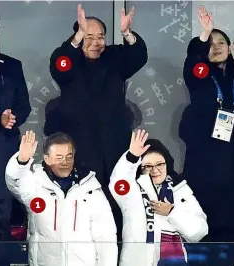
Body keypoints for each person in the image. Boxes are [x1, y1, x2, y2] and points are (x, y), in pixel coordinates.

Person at [46, 4, 147, 243]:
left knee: (116, 198)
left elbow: (138, 57)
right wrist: (78, 36)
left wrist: (127, 34)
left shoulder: (113, 58)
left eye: (100, 36)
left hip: (114, 142)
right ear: (78, 37)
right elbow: (58, 65)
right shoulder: (68, 61)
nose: (96, 42)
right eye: (89, 37)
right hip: (81, 143)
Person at [178, 6, 234, 264]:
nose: (215, 47)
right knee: (208, 223)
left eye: (221, 42)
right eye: (211, 43)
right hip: (205, 159)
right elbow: (192, 65)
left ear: (229, 48)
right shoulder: (201, 74)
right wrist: (204, 34)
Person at [4, 130, 117, 266]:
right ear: (46, 158)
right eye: (59, 157)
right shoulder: (35, 184)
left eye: (69, 157)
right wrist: (21, 161)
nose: (65, 162)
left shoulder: (91, 189)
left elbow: (106, 238)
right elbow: (15, 182)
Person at [109, 129, 208, 266]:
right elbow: (118, 183)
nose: (155, 170)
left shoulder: (180, 190)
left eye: (160, 164)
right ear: (141, 168)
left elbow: (199, 232)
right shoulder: (133, 191)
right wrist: (131, 157)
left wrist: (172, 212)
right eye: (148, 166)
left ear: (167, 163)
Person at [0, 17, 31, 266]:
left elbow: (24, 105)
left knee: (3, 214)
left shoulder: (11, 66)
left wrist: (11, 119)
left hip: (4, 149)